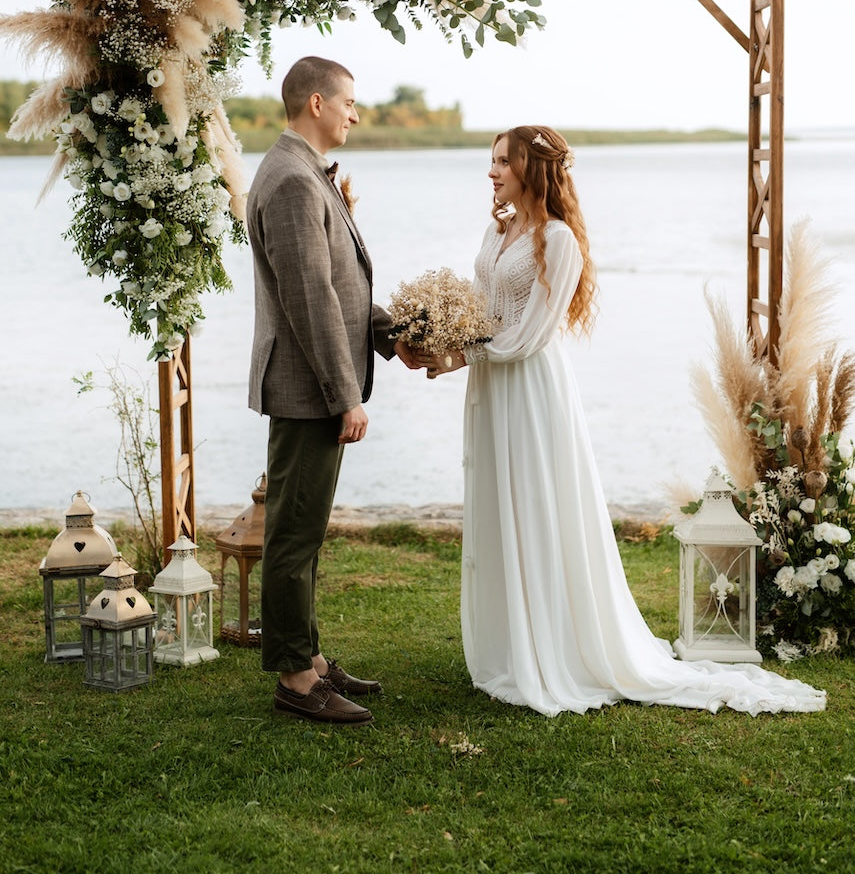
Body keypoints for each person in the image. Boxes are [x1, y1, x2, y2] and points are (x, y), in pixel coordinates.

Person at [427, 126, 825, 716]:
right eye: (491, 162)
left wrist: (462, 354)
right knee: (498, 502)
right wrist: (443, 336)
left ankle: (555, 649)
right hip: (491, 387)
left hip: (531, 390)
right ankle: (510, 646)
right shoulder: (498, 229)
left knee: (536, 505)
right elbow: (488, 314)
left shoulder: (557, 241)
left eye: (501, 162)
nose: (491, 172)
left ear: (530, 169)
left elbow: (532, 335)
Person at [247, 55, 419, 726]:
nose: (355, 113)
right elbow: (309, 300)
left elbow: (340, 291)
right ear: (315, 103)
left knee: (305, 530)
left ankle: (310, 657)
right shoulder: (291, 179)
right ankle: (295, 679)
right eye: (348, 101)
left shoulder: (305, 174)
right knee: (293, 533)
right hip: (307, 387)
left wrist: (395, 332)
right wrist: (345, 394)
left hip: (312, 380)